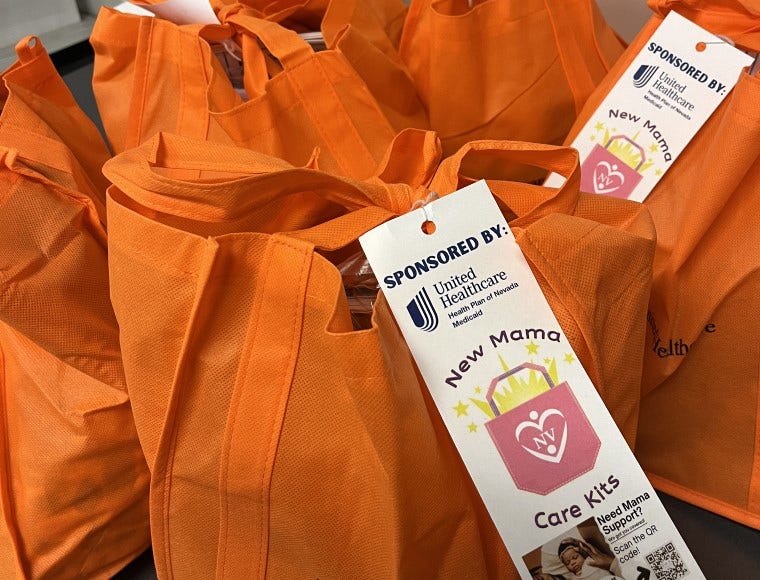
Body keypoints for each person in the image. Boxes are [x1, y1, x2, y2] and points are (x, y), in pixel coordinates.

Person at [557, 538, 625, 579]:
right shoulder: (574, 578)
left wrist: (580, 545)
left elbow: (590, 550)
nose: (572, 563)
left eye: (575, 557)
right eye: (567, 563)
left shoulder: (590, 562)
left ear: (582, 554)